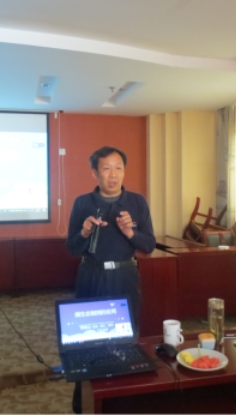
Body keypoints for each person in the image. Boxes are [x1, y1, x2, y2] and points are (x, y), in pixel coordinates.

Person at [66, 146, 155, 414]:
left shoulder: (137, 202)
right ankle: (83, 404)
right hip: (90, 275)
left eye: (118, 168)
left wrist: (130, 232)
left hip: (125, 276)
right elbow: (71, 248)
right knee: (85, 341)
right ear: (95, 173)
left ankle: (121, 403)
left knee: (126, 340)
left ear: (124, 171)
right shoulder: (82, 203)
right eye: (106, 168)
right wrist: (84, 233)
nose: (113, 174)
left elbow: (149, 245)